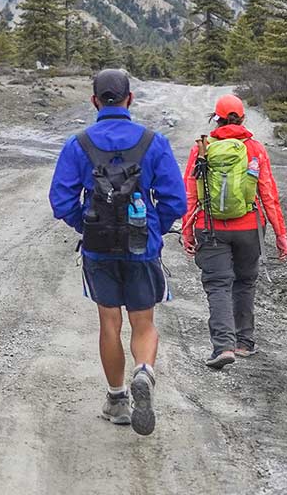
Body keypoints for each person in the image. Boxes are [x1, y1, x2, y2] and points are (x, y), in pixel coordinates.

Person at [49, 68, 185, 437]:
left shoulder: (78, 143)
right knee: (144, 323)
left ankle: (117, 398)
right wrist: (155, 227)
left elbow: (60, 201)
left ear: (94, 101)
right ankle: (145, 371)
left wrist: (87, 224)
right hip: (143, 248)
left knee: (109, 323)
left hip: (99, 251)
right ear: (130, 99)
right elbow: (176, 200)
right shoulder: (153, 142)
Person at [180, 93, 287, 368]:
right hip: (250, 227)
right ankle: (244, 342)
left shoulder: (202, 148)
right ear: (242, 118)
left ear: (215, 119)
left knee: (218, 285)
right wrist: (280, 235)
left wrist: (186, 229)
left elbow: (190, 193)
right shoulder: (255, 148)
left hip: (211, 226)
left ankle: (222, 347)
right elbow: (268, 194)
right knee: (245, 282)